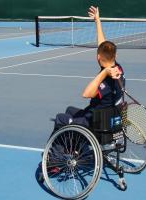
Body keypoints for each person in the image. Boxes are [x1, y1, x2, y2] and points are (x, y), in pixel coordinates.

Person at [51, 6, 125, 135]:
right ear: (115, 56)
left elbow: (86, 94)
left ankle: (54, 154)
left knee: (60, 118)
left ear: (98, 57)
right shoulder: (118, 69)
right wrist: (97, 20)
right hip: (108, 116)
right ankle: (74, 147)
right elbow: (103, 45)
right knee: (69, 110)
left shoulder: (106, 80)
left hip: (95, 121)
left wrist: (103, 73)